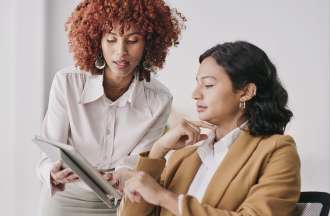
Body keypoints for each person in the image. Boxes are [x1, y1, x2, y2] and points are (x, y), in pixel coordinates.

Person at [36, 0, 186, 215]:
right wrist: (53, 171)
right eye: (111, 40)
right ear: (97, 41)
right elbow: (49, 150)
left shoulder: (159, 99)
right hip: (65, 198)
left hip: (118, 200)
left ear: (149, 43)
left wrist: (122, 174)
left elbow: (138, 160)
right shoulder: (68, 82)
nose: (121, 51)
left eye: (133, 40)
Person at [120, 41, 301, 216]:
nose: (195, 94)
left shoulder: (277, 150)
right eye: (198, 84)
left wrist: (164, 198)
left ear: (245, 92)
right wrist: (157, 152)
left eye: (208, 85)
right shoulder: (183, 157)